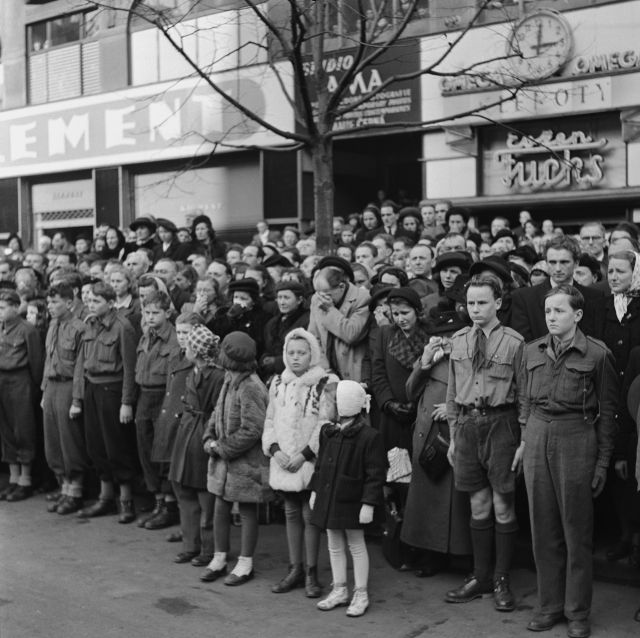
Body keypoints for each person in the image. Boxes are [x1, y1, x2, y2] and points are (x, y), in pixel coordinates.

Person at [516, 285, 618, 638]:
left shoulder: (597, 354)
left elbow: (608, 414)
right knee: (542, 529)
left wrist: (602, 462)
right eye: (548, 311)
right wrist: (526, 438)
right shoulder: (531, 351)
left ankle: (577, 611)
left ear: (577, 315)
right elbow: (523, 401)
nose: (552, 317)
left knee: (576, 532)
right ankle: (549, 606)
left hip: (577, 439)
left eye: (559, 311)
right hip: (537, 438)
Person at [445, 274, 524, 612]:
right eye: (471, 303)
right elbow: (452, 390)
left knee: (503, 504)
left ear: (498, 303)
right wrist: (452, 435)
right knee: (478, 505)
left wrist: (523, 440)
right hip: (466, 425)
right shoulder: (459, 339)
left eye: (482, 303)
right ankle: (480, 576)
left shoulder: (515, 342)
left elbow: (524, 396)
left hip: (501, 425)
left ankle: (501, 578)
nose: (475, 309)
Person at [262, 328, 338, 597]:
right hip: (283, 459)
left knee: (310, 515)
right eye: (291, 353)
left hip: (308, 461)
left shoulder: (323, 383)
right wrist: (275, 450)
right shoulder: (277, 383)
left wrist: (305, 454)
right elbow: (270, 419)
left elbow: (324, 424)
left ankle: (311, 572)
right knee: (291, 512)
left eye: (301, 353)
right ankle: (294, 568)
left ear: (312, 355)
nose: (295, 358)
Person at [401, 305, 471, 576]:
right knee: (427, 499)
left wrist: (452, 407)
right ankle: (430, 554)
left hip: (450, 433)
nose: (445, 340)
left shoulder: (468, 357)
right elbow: (410, 391)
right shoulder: (433, 356)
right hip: (426, 434)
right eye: (441, 336)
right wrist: (425, 362)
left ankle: (459, 555)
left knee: (454, 501)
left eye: (450, 335)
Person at [309, 380, 386, 617]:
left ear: (343, 405)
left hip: (352, 499)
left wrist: (369, 503)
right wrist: (315, 490)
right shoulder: (327, 432)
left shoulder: (369, 437)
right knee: (333, 542)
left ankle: (360, 592)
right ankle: (340, 588)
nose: (325, 407)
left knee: (356, 543)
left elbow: (375, 474)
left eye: (329, 402)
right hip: (330, 496)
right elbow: (320, 466)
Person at [202, 332, 273, 586]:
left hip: (245, 463)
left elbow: (253, 429)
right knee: (220, 505)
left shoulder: (251, 386)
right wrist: (209, 435)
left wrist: (222, 447)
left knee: (246, 509)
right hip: (223, 459)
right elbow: (216, 411)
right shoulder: (229, 380)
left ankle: (245, 563)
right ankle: (220, 557)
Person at [73, 281, 138, 523]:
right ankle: (105, 497)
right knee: (96, 446)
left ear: (111, 303)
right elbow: (82, 361)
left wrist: (126, 401)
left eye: (96, 301)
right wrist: (78, 397)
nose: (91, 304)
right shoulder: (89, 324)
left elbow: (130, 368)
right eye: (89, 300)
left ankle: (126, 500)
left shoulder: (123, 327)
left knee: (116, 446)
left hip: (113, 390)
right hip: (92, 387)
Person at [593, 250, 640, 563]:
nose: (614, 277)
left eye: (621, 271)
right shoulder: (602, 306)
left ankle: (636, 540)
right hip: (608, 394)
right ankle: (624, 535)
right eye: (610, 271)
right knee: (615, 468)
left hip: (636, 396)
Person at [169, 323, 225, 567]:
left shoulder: (217, 375)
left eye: (189, 345)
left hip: (202, 435)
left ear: (198, 351)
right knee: (184, 490)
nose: (185, 348)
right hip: (187, 434)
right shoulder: (193, 370)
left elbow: (217, 411)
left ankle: (209, 548)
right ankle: (190, 545)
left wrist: (209, 436)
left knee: (206, 497)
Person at [134, 290, 181, 530]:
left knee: (163, 452)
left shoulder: (173, 339)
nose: (150, 317)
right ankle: (158, 502)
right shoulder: (147, 336)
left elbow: (174, 377)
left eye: (155, 313)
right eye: (147, 312)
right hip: (145, 395)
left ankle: (170, 506)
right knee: (145, 449)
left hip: (164, 396)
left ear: (167, 312)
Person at [41, 284, 89, 514]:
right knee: (53, 442)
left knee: (70, 441)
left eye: (55, 302)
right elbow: (47, 360)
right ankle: (64, 488)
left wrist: (77, 400)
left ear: (69, 303)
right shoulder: (52, 325)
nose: (50, 306)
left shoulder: (80, 328)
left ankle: (76, 491)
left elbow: (80, 368)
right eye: (49, 302)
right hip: (52, 385)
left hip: (69, 386)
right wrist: (43, 391)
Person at [511, 236, 604, 342]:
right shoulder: (524, 298)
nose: (558, 268)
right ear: (546, 262)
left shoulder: (595, 297)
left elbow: (596, 340)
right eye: (552, 262)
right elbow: (523, 342)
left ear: (576, 263)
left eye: (564, 262)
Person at [0, 289, 44, 501]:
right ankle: (13, 478)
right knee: (6, 430)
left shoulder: (27, 330)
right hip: (2, 381)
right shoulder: (2, 329)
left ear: (16, 308)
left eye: (2, 308)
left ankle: (25, 480)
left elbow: (36, 363)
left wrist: (33, 388)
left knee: (23, 429)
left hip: (21, 381)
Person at [308, 257, 370, 382]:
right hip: (327, 374)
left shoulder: (362, 298)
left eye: (327, 294)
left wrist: (330, 310)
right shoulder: (317, 298)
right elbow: (313, 337)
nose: (322, 298)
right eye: (318, 293)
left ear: (341, 286)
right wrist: (325, 370)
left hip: (354, 373)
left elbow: (352, 334)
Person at [260, 281, 309, 379]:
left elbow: (305, 353)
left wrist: (276, 362)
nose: (282, 302)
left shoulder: (307, 321)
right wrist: (265, 358)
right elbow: (267, 347)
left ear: (299, 300)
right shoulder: (272, 323)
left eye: (286, 298)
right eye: (279, 297)